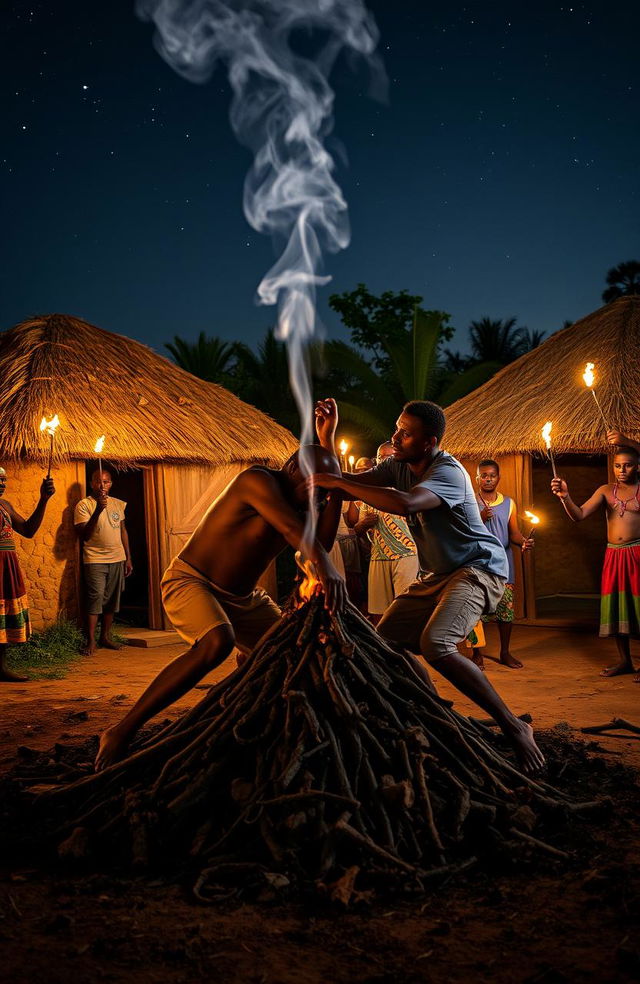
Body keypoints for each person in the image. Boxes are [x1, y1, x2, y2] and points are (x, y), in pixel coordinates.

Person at [95, 399, 346, 771]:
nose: (319, 498)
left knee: (291, 651)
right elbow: (297, 536)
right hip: (192, 581)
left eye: (324, 492)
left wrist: (334, 478)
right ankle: (122, 730)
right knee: (217, 642)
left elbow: (321, 545)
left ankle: (239, 716)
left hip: (244, 599)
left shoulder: (308, 503)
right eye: (316, 487)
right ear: (292, 468)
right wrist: (328, 569)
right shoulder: (257, 480)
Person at [310, 399, 545, 775]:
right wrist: (327, 437)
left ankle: (515, 726)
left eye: (406, 433)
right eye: (397, 428)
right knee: (383, 644)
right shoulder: (399, 465)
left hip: (478, 569)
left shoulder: (448, 472)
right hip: (437, 574)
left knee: (436, 643)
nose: (396, 436)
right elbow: (351, 485)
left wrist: (338, 483)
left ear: (428, 441)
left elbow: (406, 504)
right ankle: (435, 710)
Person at [552, 442, 640, 680]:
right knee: (618, 607)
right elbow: (578, 515)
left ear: (638, 467)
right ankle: (626, 661)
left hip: (637, 554)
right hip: (614, 554)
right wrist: (565, 497)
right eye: (617, 465)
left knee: (638, 607)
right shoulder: (605, 490)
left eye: (628, 465)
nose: (622, 470)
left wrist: (626, 440)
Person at [469, 459, 534, 669]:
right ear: (477, 478)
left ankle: (505, 652)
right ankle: (476, 653)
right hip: (478, 563)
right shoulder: (469, 502)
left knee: (505, 610)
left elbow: (513, 533)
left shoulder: (508, 503)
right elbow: (463, 530)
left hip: (503, 565)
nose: (488, 479)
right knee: (475, 610)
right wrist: (479, 516)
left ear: (498, 477)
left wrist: (523, 542)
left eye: (492, 475)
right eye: (484, 475)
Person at [0, 466, 55, 682]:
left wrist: (44, 499)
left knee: (2, 616)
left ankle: (1, 668)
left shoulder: (5, 505)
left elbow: (29, 530)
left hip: (7, 565)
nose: (1, 484)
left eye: (3, 480)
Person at [355, 441, 419, 625]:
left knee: (404, 608)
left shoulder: (410, 486)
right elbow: (358, 530)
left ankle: (406, 652)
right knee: (377, 610)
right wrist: (364, 524)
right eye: (381, 457)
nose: (385, 461)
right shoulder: (370, 491)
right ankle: (384, 650)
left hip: (407, 553)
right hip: (379, 555)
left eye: (389, 457)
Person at [74, 469, 132, 656]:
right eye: (98, 482)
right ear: (92, 484)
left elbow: (122, 531)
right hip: (95, 558)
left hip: (117, 557)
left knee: (112, 600)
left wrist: (128, 557)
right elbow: (84, 534)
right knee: (95, 598)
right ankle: (90, 640)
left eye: (106, 482)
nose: (102, 485)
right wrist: (99, 509)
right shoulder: (84, 505)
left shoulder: (117, 504)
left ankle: (105, 636)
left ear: (111, 483)